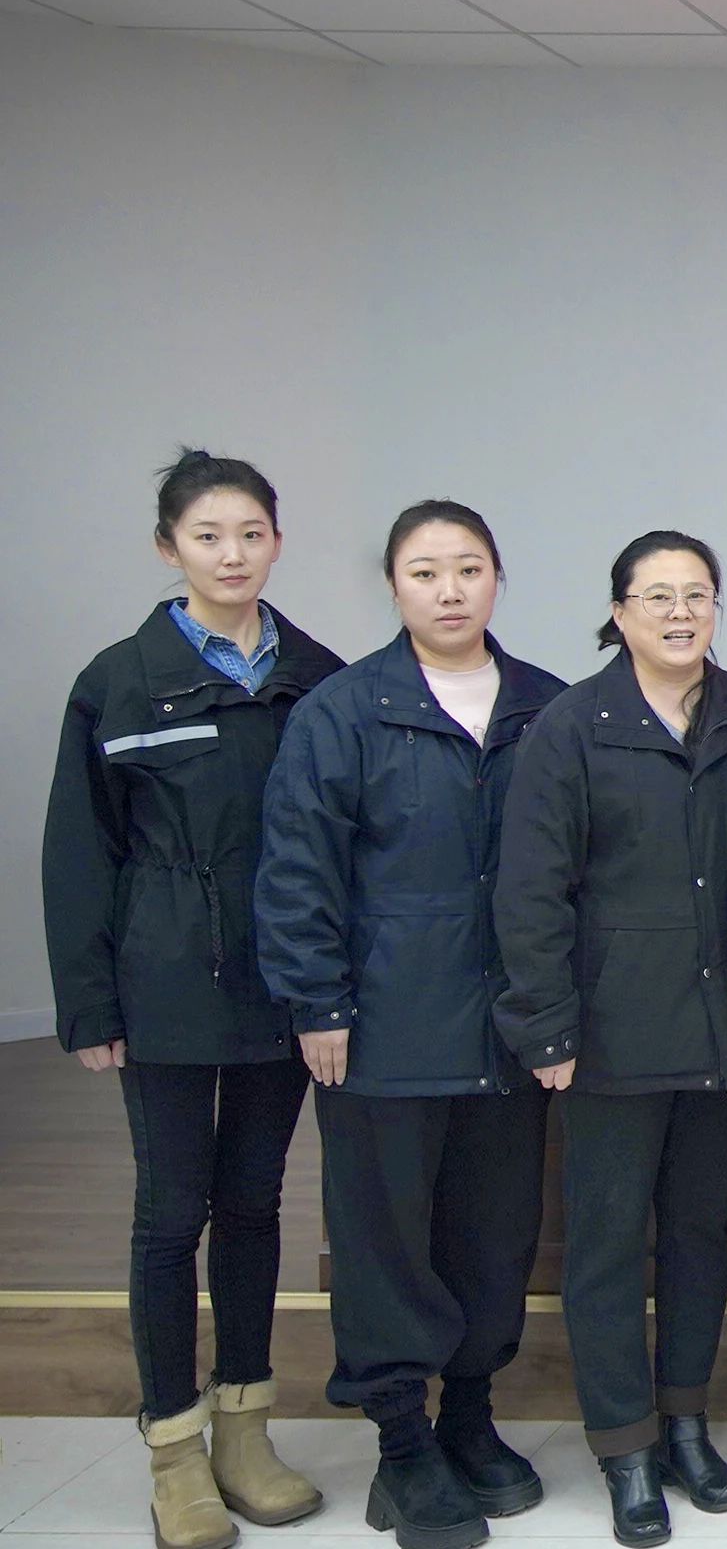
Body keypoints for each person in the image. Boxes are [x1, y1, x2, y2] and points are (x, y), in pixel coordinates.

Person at [44, 450, 344, 1549]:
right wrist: (90, 1001)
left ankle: (245, 1433)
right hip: (164, 975)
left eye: (251, 533)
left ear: (278, 542)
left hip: (281, 978)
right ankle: (174, 1449)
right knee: (172, 1213)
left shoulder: (317, 675)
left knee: (256, 1205)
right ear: (169, 547)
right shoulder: (118, 680)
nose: (232, 554)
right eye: (208, 535)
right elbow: (79, 850)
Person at [258, 500, 567, 1549]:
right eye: (425, 571)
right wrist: (317, 1003)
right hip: (382, 1028)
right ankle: (401, 1445)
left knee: (493, 1230)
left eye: (468, 568)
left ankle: (470, 1419)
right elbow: (296, 868)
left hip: (508, 1032)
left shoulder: (545, 707)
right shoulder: (343, 711)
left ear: (497, 579)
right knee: (384, 1238)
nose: (448, 590)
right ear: (393, 586)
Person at [493, 531, 727, 1543]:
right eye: (657, 595)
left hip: (720, 1031)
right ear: (618, 613)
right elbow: (531, 889)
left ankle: (685, 1425)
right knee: (608, 1246)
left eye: (697, 593)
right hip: (609, 1037)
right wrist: (547, 1025)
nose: (679, 612)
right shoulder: (572, 726)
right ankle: (623, 1446)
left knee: (701, 1236)